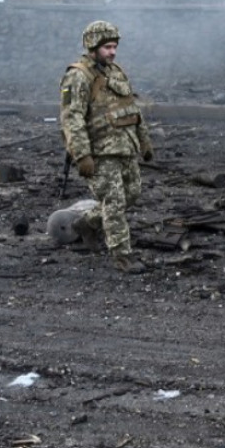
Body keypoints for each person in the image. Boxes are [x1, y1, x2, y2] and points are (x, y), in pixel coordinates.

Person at [59, 20, 153, 274]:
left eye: (114, 46)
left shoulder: (115, 71)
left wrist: (144, 141)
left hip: (125, 147)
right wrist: (82, 155)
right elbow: (72, 118)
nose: (112, 52)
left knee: (131, 195)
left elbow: (131, 109)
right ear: (92, 46)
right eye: (107, 47)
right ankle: (123, 256)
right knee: (114, 203)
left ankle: (87, 223)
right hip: (101, 152)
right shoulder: (77, 76)